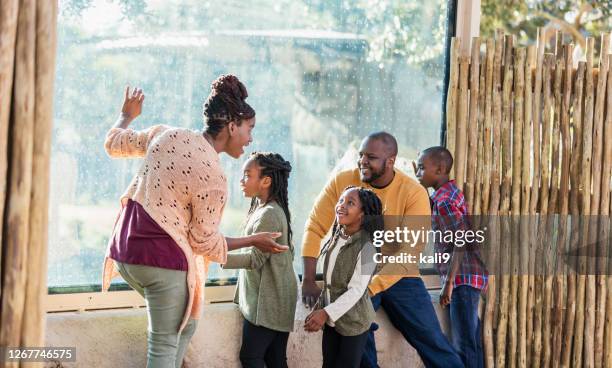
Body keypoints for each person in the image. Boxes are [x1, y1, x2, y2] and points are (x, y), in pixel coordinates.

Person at [101, 75, 288, 368]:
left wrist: (127, 115)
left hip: (126, 254)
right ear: (232, 126)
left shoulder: (166, 134)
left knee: (185, 326)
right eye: (249, 129)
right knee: (163, 347)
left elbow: (114, 143)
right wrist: (254, 240)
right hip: (162, 261)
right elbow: (203, 242)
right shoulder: (213, 177)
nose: (251, 138)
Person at [300, 132, 463, 368]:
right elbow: (315, 226)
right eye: (361, 155)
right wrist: (308, 278)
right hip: (356, 273)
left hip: (399, 275)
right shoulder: (343, 182)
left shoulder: (414, 193)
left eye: (371, 157)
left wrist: (367, 289)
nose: (363, 161)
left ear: (391, 161)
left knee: (431, 339)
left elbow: (408, 254)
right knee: (357, 334)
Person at [222, 152, 298, 368]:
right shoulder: (263, 208)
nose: (241, 180)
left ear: (266, 181)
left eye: (247, 175)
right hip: (276, 296)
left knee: (251, 357)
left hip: (270, 301)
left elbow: (255, 259)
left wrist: (220, 258)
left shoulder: (269, 214)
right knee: (274, 359)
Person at [415, 146, 488, 368]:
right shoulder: (449, 193)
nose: (418, 173)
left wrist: (448, 283)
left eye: (421, 168)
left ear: (439, 169)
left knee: (463, 344)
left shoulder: (444, 201)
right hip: (469, 276)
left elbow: (461, 239)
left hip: (462, 279)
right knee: (471, 340)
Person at [304, 186, 383, 368]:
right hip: (333, 320)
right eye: (341, 201)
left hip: (354, 321)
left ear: (362, 214)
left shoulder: (368, 247)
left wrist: (325, 313)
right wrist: (320, 308)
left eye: (350, 203)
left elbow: (356, 290)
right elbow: (330, 283)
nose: (341, 206)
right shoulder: (337, 237)